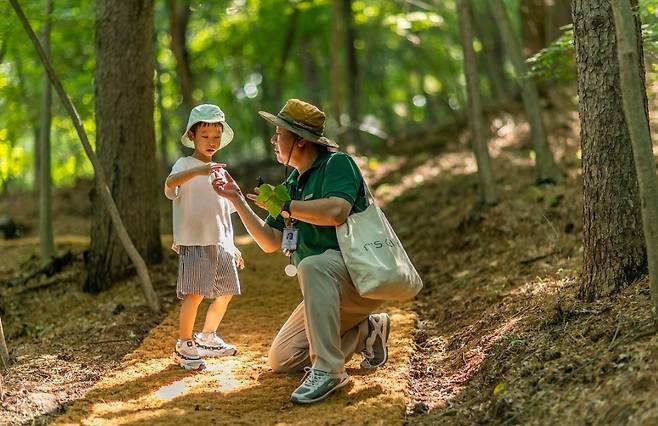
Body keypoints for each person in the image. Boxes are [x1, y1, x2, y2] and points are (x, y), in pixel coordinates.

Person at [212, 99, 391, 404]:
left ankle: (329, 370)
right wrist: (237, 201)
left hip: (362, 279)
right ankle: (368, 331)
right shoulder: (292, 182)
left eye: (278, 133)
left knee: (313, 265)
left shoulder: (337, 164)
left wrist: (286, 207)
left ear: (300, 140)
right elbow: (271, 241)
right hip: (328, 290)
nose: (273, 140)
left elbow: (337, 210)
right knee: (282, 358)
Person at [164, 104, 244, 370]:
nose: (211, 142)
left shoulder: (220, 170)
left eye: (216, 137)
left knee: (226, 291)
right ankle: (184, 343)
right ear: (192, 136)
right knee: (195, 293)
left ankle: (207, 336)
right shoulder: (185, 164)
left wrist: (232, 245)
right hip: (195, 240)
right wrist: (198, 171)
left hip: (220, 241)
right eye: (205, 136)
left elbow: (226, 211)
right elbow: (171, 183)